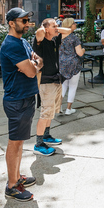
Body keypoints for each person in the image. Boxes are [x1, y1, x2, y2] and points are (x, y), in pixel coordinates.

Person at [0, 7, 43, 201]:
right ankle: (11, 185)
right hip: (17, 100)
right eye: (23, 21)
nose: (27, 24)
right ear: (11, 23)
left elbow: (38, 62)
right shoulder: (11, 45)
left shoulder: (23, 42)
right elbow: (33, 71)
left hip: (26, 97)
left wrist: (33, 64)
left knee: (20, 142)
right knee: (15, 142)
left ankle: (17, 177)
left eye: (27, 21)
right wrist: (32, 65)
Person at [32, 18, 73, 155]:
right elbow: (39, 31)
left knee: (51, 112)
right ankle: (38, 144)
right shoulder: (40, 42)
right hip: (46, 82)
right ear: (46, 28)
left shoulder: (55, 40)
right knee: (45, 113)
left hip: (56, 80)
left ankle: (46, 136)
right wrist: (48, 28)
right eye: (54, 25)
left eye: (57, 25)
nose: (57, 27)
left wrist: (54, 29)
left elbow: (69, 30)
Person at [59, 17, 85, 115]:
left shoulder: (59, 37)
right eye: (74, 23)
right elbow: (80, 53)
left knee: (63, 86)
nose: (75, 24)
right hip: (73, 64)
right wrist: (83, 50)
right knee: (73, 86)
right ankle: (69, 109)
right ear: (70, 25)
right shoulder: (74, 38)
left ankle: (59, 106)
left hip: (62, 64)